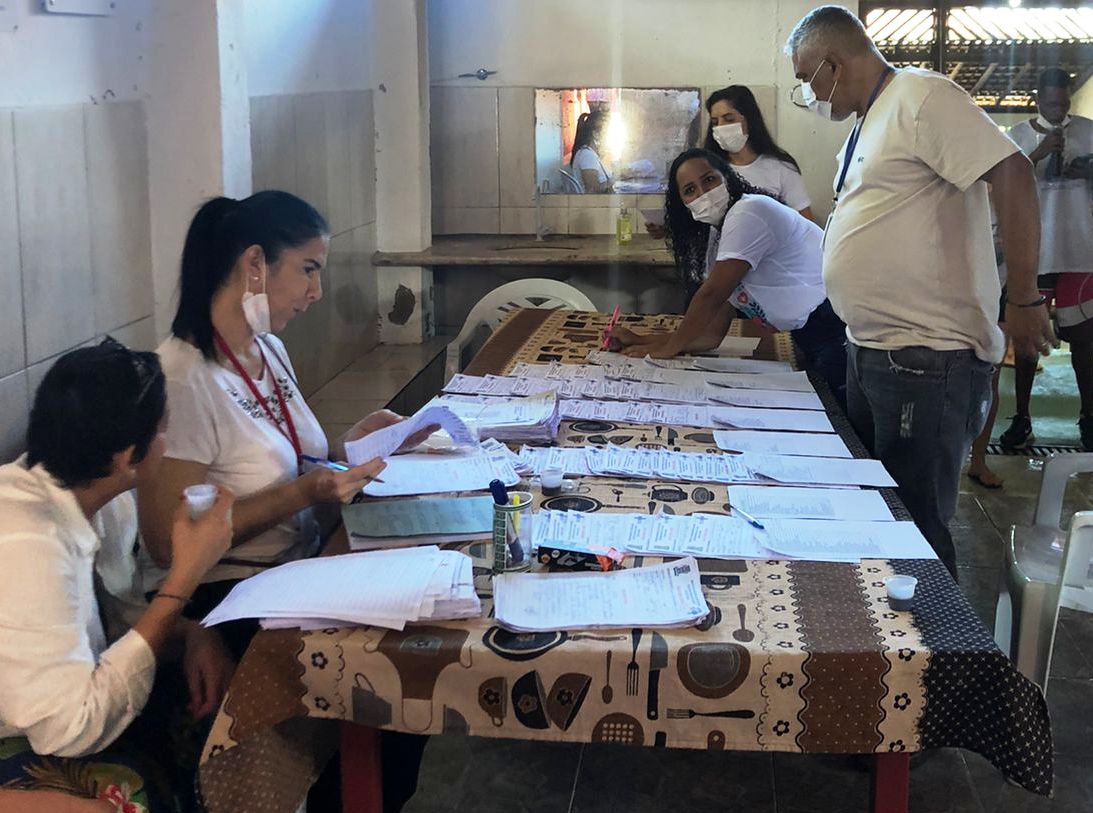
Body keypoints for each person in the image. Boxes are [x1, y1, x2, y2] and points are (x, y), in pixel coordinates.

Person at [135, 191, 430, 811]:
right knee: (389, 689)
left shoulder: (267, 351)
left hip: (301, 566)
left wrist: (361, 444)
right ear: (254, 266)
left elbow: (296, 460)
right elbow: (167, 540)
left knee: (415, 663)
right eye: (310, 269)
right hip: (233, 594)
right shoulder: (185, 378)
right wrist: (304, 491)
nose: (316, 291)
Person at [785, 6, 1054, 577]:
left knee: (916, 531)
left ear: (831, 63)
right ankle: (890, 647)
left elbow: (1013, 172)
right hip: (874, 351)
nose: (807, 93)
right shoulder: (867, 121)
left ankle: (941, 659)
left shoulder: (920, 97)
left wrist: (1024, 297)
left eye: (806, 79)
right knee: (879, 515)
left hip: (925, 360)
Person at [0, 340, 235, 813]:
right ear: (129, 458)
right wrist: (185, 578)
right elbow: (69, 728)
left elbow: (119, 623)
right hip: (39, 732)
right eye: (165, 431)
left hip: (51, 713)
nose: (168, 446)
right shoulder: (28, 542)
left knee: (218, 711)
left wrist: (192, 633)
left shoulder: (100, 501)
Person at [609, 148, 848, 406]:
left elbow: (711, 295)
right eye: (690, 190)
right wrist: (645, 341)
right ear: (683, 205)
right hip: (810, 335)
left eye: (709, 180)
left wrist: (667, 350)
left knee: (838, 420)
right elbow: (711, 335)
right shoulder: (718, 236)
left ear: (727, 177)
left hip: (834, 330)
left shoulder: (749, 212)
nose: (703, 194)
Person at [998, 68, 1093, 452]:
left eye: (1064, 102)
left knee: (1085, 340)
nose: (1058, 110)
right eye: (1051, 103)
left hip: (1081, 249)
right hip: (1032, 252)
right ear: (1037, 98)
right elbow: (1002, 184)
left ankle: (1088, 417)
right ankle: (1021, 418)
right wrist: (1037, 154)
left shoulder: (1088, 131)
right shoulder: (1018, 136)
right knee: (1026, 339)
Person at [704, 85, 816, 223]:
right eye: (715, 122)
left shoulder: (781, 168)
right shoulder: (708, 171)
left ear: (749, 120)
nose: (721, 127)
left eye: (729, 119)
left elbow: (806, 223)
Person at [569, 110, 611, 193]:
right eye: (606, 132)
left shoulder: (590, 153)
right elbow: (593, 190)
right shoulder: (587, 156)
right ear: (595, 134)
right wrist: (615, 180)